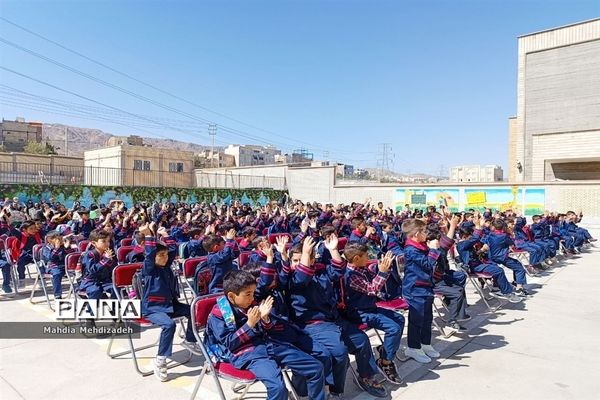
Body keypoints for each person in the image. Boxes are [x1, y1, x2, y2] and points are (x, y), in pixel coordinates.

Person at [206, 270, 326, 400]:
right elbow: (229, 344)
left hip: (269, 344)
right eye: (248, 294)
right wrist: (249, 325)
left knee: (316, 368)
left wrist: (265, 319)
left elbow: (267, 329)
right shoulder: (219, 313)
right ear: (231, 296)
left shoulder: (251, 303)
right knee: (278, 388)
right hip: (247, 353)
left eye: (252, 293)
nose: (252, 298)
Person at [138, 223, 198, 382]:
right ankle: (160, 360)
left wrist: (165, 235)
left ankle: (190, 340)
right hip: (153, 308)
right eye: (161, 255)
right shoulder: (150, 268)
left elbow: (172, 250)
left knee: (194, 309)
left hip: (170, 305)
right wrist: (148, 235)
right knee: (169, 325)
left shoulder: (165, 265)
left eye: (165, 255)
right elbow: (150, 254)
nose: (165, 257)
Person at [401, 214, 459, 363]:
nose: (426, 235)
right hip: (414, 289)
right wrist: (433, 250)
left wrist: (437, 248)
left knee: (427, 318)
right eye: (424, 232)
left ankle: (425, 343)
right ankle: (413, 347)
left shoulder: (422, 246)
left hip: (426, 287)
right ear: (416, 234)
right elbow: (427, 264)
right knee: (416, 319)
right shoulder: (410, 250)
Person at [343, 244, 404, 383]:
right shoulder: (350, 275)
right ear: (357, 258)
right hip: (359, 312)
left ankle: (385, 351)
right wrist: (382, 272)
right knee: (393, 328)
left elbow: (376, 279)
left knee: (399, 319)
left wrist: (384, 269)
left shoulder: (362, 268)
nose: (369, 258)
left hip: (370, 307)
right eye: (366, 256)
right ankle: (385, 362)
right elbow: (372, 289)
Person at [203, 229, 239, 293]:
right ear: (216, 247)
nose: (225, 245)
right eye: (223, 244)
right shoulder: (212, 257)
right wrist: (229, 240)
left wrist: (233, 241)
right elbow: (224, 255)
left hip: (229, 283)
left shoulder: (224, 254)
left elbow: (236, 254)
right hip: (217, 287)